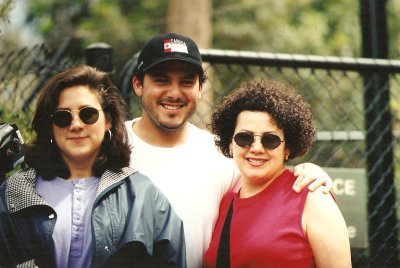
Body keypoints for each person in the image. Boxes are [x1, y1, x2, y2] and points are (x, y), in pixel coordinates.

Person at [126, 32, 335, 268]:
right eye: (161, 80)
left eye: (186, 82)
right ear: (137, 84)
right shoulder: (108, 147)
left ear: (200, 88)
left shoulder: (222, 156)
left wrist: (311, 171)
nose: (174, 93)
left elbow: (268, 188)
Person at [0, 65, 186, 268]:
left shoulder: (143, 196)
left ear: (107, 120)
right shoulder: (13, 193)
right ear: (50, 126)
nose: (76, 124)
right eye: (63, 117)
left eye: (88, 114)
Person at [203, 79, 352, 267]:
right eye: (244, 138)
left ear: (287, 148)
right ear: (230, 144)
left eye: (270, 140)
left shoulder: (311, 197)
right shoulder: (224, 202)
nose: (256, 148)